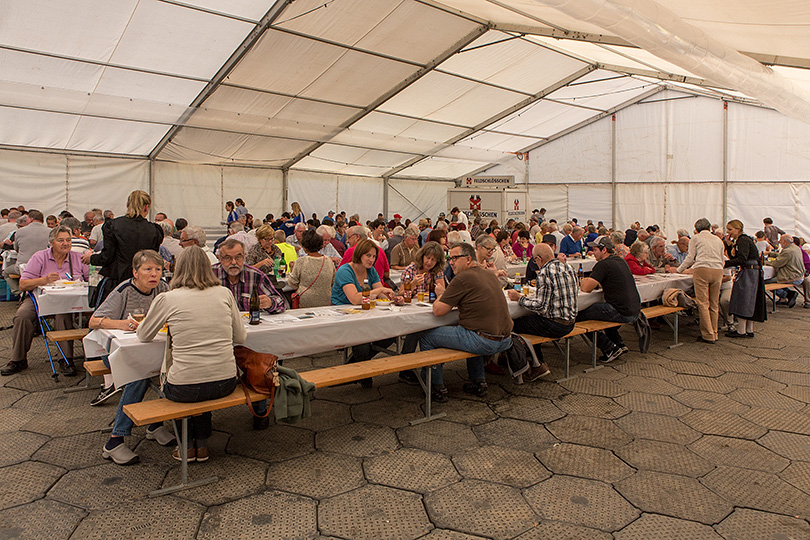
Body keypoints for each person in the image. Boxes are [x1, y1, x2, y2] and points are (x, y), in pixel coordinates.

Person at [137, 246, 246, 463]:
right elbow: (240, 337)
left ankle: (186, 446)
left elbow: (143, 335)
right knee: (201, 376)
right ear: (209, 267)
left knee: (184, 378)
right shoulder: (224, 293)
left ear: (178, 269)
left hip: (185, 387)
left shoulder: (168, 298)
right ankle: (202, 445)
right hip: (225, 382)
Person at [90, 250, 174, 464]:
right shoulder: (124, 290)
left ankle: (155, 425)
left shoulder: (163, 288)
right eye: (148, 269)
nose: (154, 274)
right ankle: (114, 441)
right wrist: (120, 324)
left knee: (172, 369)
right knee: (139, 375)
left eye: (157, 269)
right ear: (135, 272)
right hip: (115, 352)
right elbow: (94, 320)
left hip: (150, 350)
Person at [419, 242, 512, 401]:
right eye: (449, 259)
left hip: (484, 341)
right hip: (506, 339)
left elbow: (438, 310)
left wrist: (441, 294)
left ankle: (434, 386)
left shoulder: (462, 277)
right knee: (470, 329)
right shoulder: (489, 274)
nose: (451, 262)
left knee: (427, 335)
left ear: (468, 259)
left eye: (455, 258)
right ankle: (478, 382)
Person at [1, 226, 89, 376]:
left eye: (68, 240)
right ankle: (18, 360)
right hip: (39, 297)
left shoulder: (76, 257)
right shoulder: (40, 257)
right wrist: (44, 280)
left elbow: (90, 279)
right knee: (22, 316)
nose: (65, 243)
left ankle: (66, 359)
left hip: (68, 301)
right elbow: (23, 284)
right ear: (51, 243)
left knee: (63, 314)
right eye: (60, 240)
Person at [331, 239, 399, 388]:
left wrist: (392, 296)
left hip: (365, 313)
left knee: (392, 333)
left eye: (374, 256)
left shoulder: (371, 271)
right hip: (343, 314)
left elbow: (381, 294)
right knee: (362, 342)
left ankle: (352, 369)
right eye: (368, 255)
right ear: (359, 254)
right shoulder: (344, 271)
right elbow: (355, 299)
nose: (371, 259)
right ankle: (362, 373)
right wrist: (379, 291)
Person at [508, 243, 578, 378]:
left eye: (535, 260)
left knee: (514, 324)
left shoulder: (545, 272)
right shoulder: (568, 267)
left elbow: (541, 307)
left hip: (555, 325)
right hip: (571, 322)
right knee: (531, 322)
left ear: (539, 259)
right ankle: (520, 359)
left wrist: (519, 299)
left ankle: (537, 364)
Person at [82, 190, 163, 304]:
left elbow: (107, 257)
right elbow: (153, 260)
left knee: (108, 318)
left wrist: (91, 258)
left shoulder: (113, 226)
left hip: (117, 283)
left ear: (127, 205)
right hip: (143, 285)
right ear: (146, 207)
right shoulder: (154, 230)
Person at [577, 237, 641, 363]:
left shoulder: (603, 264)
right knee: (601, 312)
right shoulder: (620, 261)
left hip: (622, 312)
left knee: (578, 316)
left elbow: (585, 289)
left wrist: (583, 281)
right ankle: (619, 344)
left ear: (604, 250)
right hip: (636, 310)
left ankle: (609, 348)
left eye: (595, 249)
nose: (592, 252)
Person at [676, 218, 726, 344]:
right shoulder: (718, 240)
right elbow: (723, 259)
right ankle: (714, 332)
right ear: (709, 228)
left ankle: (707, 335)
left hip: (702, 269)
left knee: (703, 303)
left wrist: (679, 270)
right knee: (714, 303)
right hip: (718, 270)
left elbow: (690, 257)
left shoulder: (696, 238)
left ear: (696, 229)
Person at [724, 220, 766, 338]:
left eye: (730, 229)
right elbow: (735, 257)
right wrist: (728, 244)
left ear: (738, 229)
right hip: (752, 272)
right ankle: (748, 329)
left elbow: (741, 259)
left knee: (744, 298)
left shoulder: (743, 240)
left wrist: (724, 264)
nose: (728, 232)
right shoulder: (742, 240)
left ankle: (741, 330)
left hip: (749, 272)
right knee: (750, 300)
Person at [3, 210, 50, 296]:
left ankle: (19, 292)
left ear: (31, 219)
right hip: (43, 266)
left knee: (5, 272)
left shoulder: (19, 232)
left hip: (23, 266)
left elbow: (16, 248)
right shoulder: (50, 231)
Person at [287, 229, 336, 308]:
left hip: (305, 302)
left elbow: (292, 284)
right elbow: (333, 282)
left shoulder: (301, 261)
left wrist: (292, 269)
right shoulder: (328, 261)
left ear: (304, 246)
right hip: (325, 301)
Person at [764, 234, 805, 307]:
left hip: (791, 276)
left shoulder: (788, 251)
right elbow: (781, 256)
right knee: (774, 280)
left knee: (766, 282)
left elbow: (777, 263)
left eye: (780, 241)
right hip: (799, 275)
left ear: (785, 242)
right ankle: (787, 294)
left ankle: (786, 294)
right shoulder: (796, 248)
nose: (779, 242)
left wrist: (766, 263)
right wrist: (771, 253)